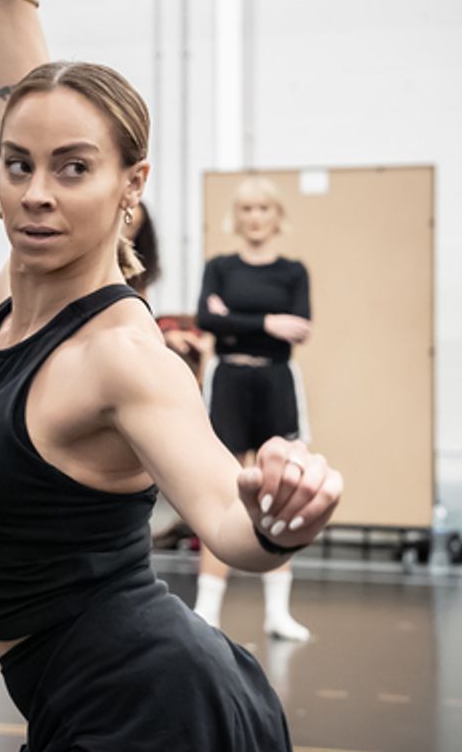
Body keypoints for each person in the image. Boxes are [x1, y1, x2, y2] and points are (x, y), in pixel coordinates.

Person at [0, 0, 343, 750]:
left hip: (146, 699)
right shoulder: (13, 297)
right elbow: (21, 99)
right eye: (18, 165)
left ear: (131, 185)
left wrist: (279, 521)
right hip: (79, 686)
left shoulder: (121, 351)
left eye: (74, 169)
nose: (37, 191)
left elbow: (228, 523)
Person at [192, 176, 315, 641]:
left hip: (275, 382)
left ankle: (278, 612)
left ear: (277, 216)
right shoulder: (219, 266)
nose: (255, 217)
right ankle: (207, 607)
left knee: (279, 489)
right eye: (246, 209)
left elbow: (300, 326)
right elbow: (205, 319)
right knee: (221, 487)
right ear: (236, 217)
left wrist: (233, 320)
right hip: (228, 382)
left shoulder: (293, 271)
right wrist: (267, 321)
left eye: (264, 208)